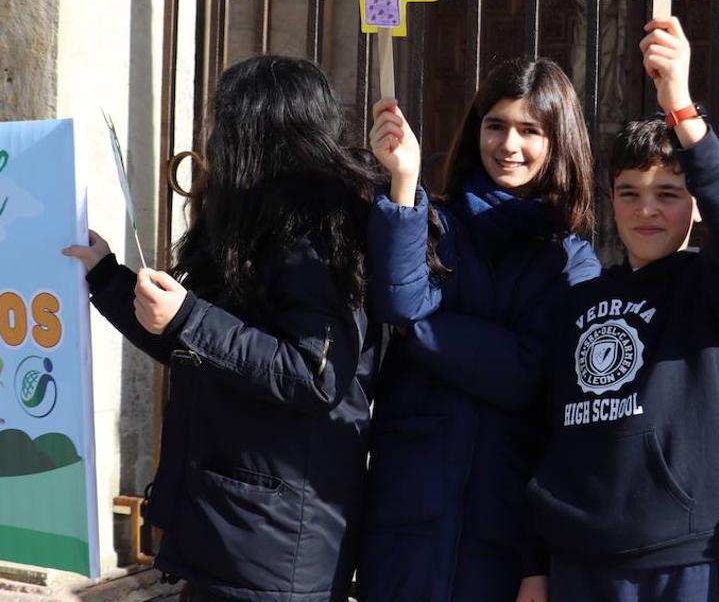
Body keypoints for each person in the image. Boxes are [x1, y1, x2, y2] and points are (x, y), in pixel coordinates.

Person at [63, 56, 381, 601]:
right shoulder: (256, 220)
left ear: (260, 132)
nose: (211, 139)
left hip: (276, 546)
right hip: (230, 524)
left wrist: (189, 316)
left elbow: (313, 375)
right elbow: (198, 348)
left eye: (222, 122)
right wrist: (109, 279)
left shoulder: (319, 235)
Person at [526, 17, 719, 601]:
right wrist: (535, 561)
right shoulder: (577, 299)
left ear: (698, 205)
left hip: (674, 553)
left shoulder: (713, 291)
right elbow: (544, 434)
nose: (647, 210)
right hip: (575, 552)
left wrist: (682, 108)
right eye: (630, 193)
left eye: (668, 194)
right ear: (612, 200)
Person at [357, 58, 601, 602]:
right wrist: (402, 179)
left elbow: (527, 373)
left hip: (504, 521)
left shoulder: (570, 261)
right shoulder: (432, 218)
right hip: (408, 511)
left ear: (558, 141)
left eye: (530, 130)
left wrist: (420, 328)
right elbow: (398, 299)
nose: (509, 145)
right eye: (496, 125)